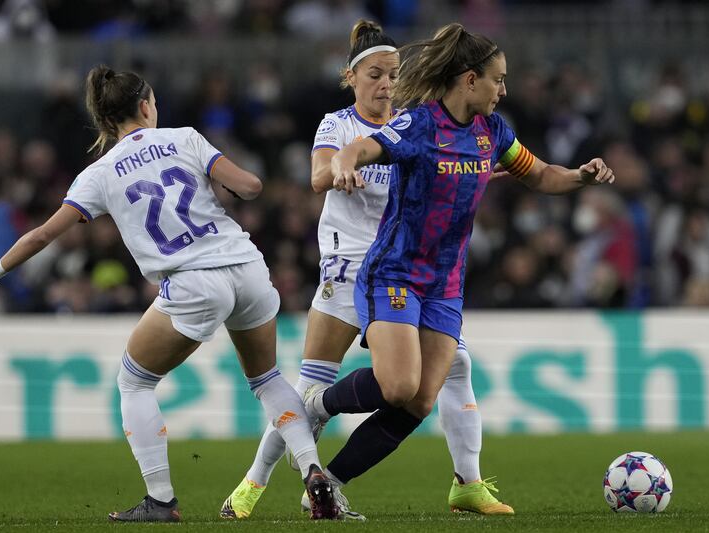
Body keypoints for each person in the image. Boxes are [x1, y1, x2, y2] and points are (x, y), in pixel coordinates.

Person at [0, 65, 339, 522]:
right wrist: (227, 187)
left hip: (193, 282)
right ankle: (312, 470)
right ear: (145, 106)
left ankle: (161, 500)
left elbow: (41, 236)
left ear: (106, 119)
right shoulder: (186, 138)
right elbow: (251, 186)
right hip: (247, 267)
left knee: (134, 382)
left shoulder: (97, 174)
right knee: (268, 379)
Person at [302, 21, 615, 514]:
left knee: (421, 402)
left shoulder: (493, 131)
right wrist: (344, 159)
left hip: (445, 284)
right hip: (395, 272)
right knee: (398, 386)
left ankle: (327, 484)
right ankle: (317, 406)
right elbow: (365, 146)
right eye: (498, 79)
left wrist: (580, 175)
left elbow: (538, 174)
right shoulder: (419, 125)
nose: (503, 89)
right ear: (469, 80)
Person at [220, 20, 513, 521]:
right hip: (350, 267)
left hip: (405, 270)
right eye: (375, 74)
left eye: (394, 74)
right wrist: (339, 170)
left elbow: (448, 168)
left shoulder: (416, 124)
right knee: (311, 385)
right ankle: (253, 483)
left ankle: (467, 482)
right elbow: (318, 173)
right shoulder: (340, 126)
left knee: (453, 367)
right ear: (351, 78)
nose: (386, 84)